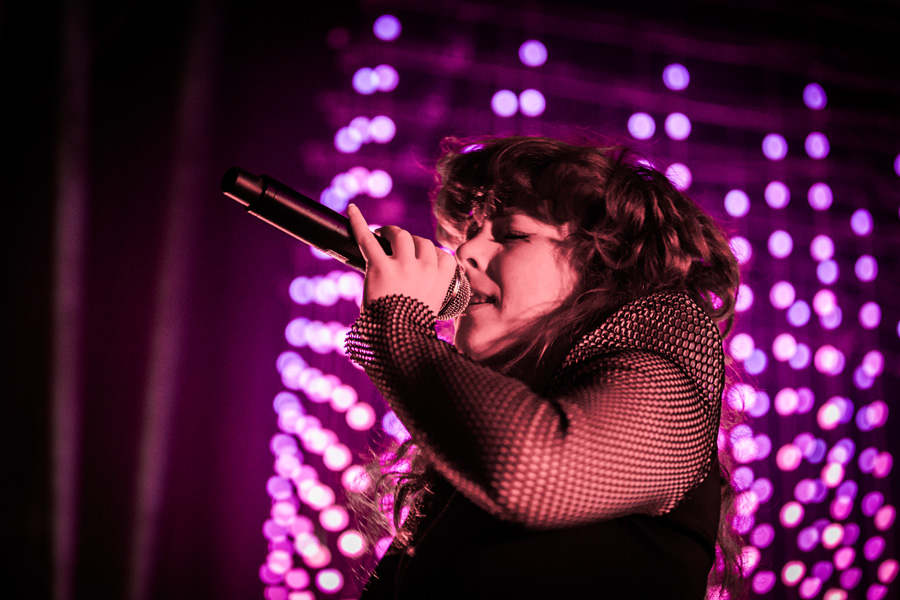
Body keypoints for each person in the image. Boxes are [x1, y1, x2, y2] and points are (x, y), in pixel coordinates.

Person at [344, 135, 745, 599]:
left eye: (512, 233)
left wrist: (395, 326)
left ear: (606, 265)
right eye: (468, 234)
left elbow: (530, 471)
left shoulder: (672, 352)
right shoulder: (464, 451)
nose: (466, 253)